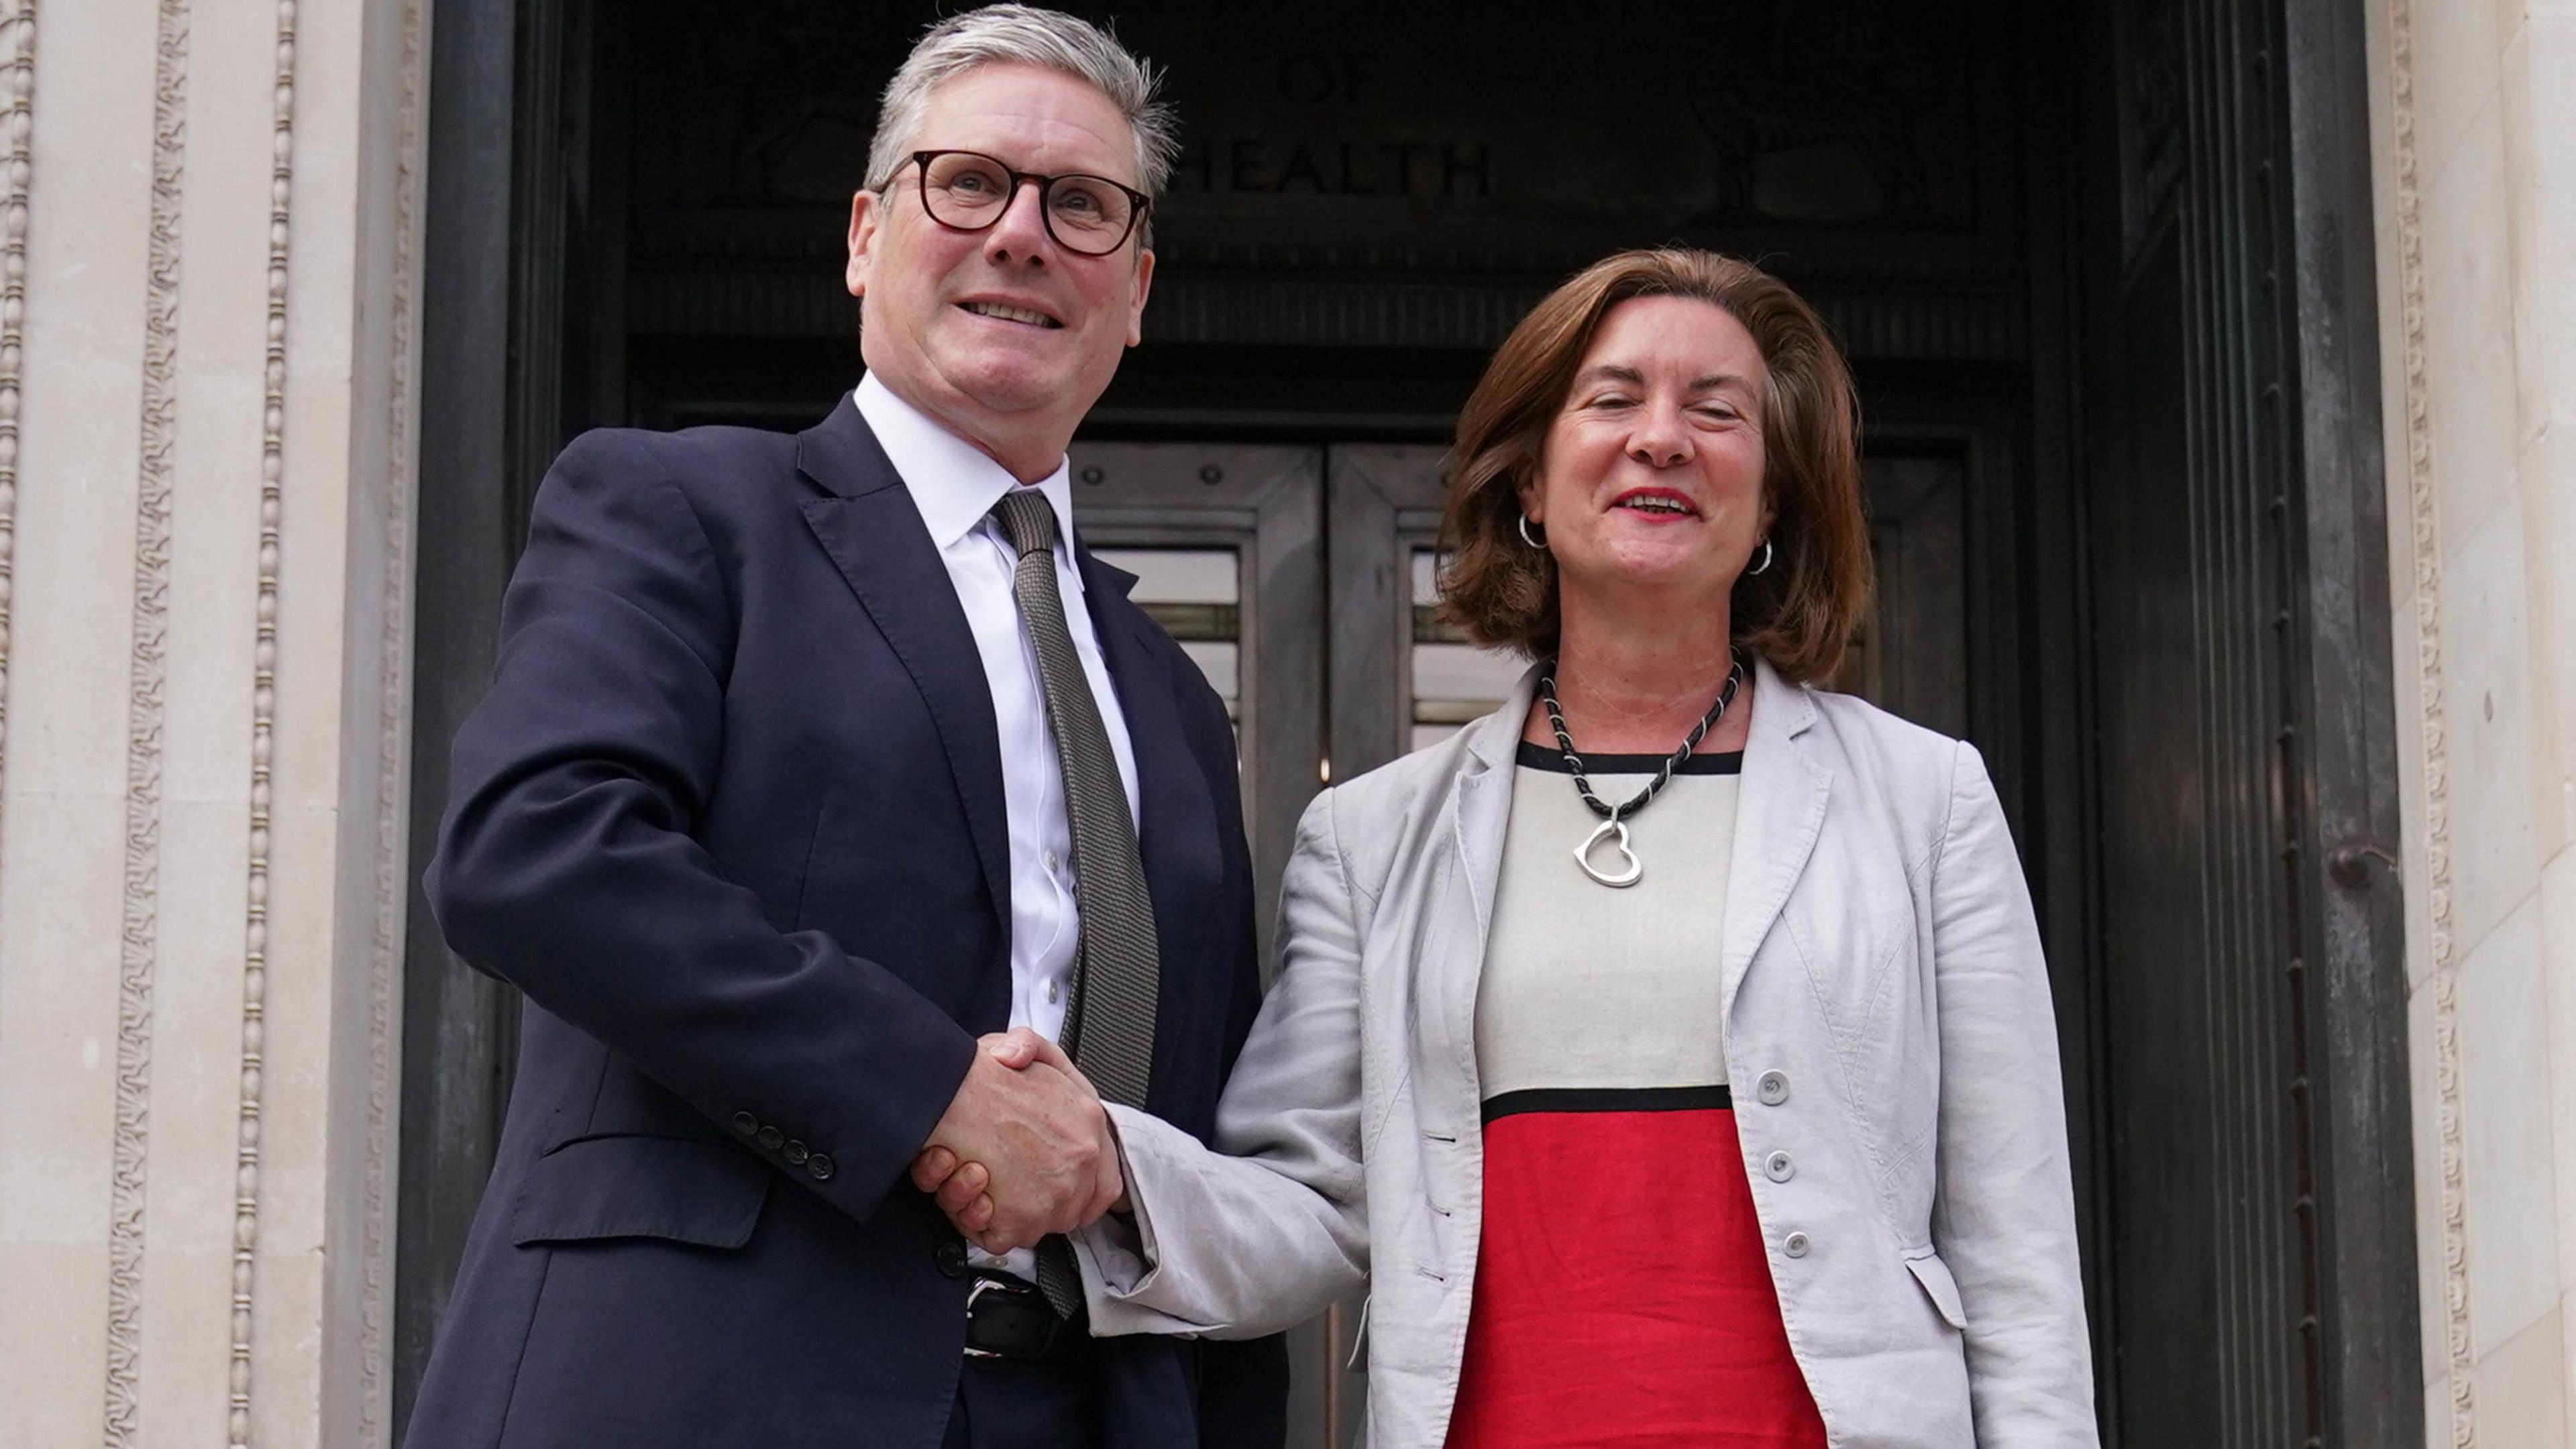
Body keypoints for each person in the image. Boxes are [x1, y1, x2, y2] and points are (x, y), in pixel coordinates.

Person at [918, 248, 2099, 1447]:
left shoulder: (1925, 799)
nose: (1663, 438)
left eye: (1718, 410)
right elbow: (1309, 1205)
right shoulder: (1370, 840)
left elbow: (2015, 1251)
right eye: (1613, 398)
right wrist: (1104, 1168)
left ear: (1775, 504)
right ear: (1531, 483)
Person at [402, 8, 1282, 1447]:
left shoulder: (1170, 699)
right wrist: (928, 1089)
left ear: (1136, 291)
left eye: (1082, 206)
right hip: (697, 1390)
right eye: (970, 183)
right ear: (866, 234)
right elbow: (532, 849)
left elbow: (1208, 1143)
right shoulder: (684, 511)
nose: (1022, 235)